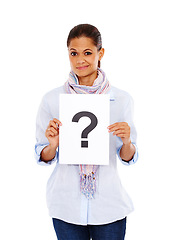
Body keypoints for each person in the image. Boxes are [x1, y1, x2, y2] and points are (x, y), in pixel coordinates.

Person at [35, 24, 138, 240]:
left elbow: (127, 157)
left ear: (101, 53)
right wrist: (53, 144)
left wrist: (127, 141)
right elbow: (43, 155)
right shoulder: (52, 99)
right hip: (66, 205)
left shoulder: (121, 99)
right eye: (74, 53)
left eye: (88, 53)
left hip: (108, 206)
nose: (80, 60)